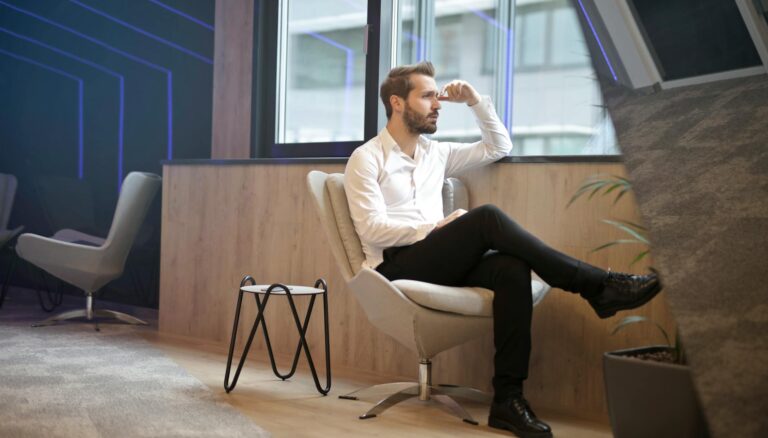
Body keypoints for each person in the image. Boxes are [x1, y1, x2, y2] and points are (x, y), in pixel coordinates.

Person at [343, 61, 661, 438]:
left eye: (436, 96)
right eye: (427, 96)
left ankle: (507, 400)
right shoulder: (366, 158)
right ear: (397, 102)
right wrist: (436, 227)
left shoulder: (436, 154)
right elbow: (372, 229)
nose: (437, 103)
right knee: (487, 218)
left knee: (511, 268)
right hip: (394, 267)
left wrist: (476, 101)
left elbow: (499, 145)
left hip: (435, 261)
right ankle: (596, 285)